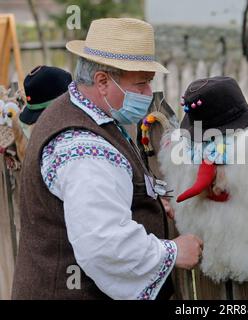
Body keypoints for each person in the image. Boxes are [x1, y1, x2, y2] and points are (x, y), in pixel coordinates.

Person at [12, 17, 203, 300]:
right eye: (141, 84)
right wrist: (173, 252)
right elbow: (104, 243)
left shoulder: (79, 110)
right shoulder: (81, 147)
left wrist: (149, 200)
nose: (148, 93)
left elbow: (103, 192)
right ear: (102, 81)